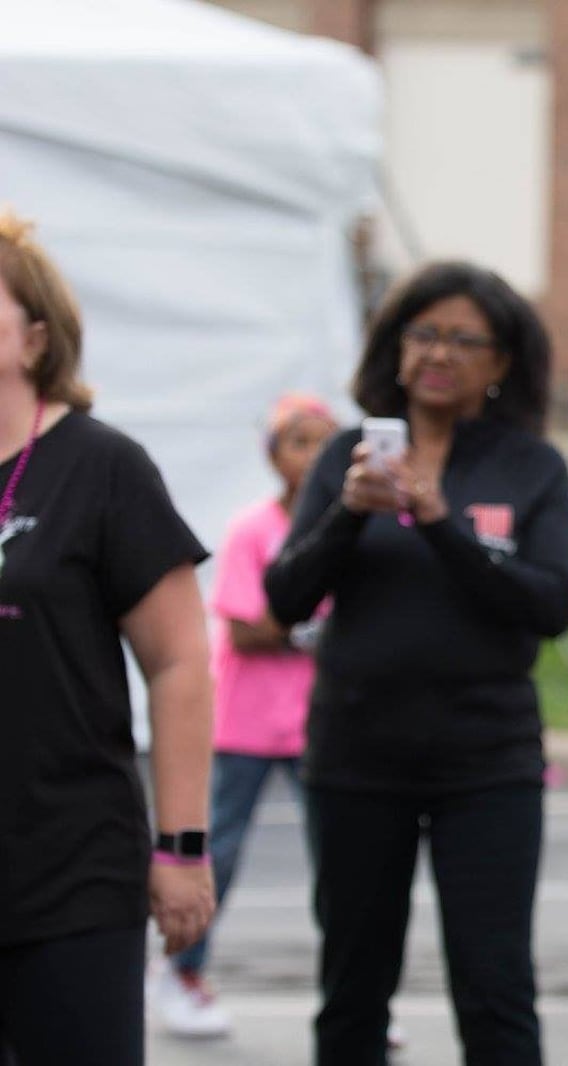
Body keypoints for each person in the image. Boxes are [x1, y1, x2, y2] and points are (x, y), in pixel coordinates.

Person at [264, 261, 568, 1065]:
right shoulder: (345, 456)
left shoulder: (529, 466)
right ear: (396, 346)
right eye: (423, 333)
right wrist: (346, 513)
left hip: (488, 760)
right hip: (356, 755)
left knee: (495, 983)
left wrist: (439, 521)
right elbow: (286, 597)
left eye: (463, 339)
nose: (438, 352)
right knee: (354, 984)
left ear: (501, 362)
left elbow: (550, 606)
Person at [0, 208, 214, 1065]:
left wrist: (182, 846)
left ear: (35, 339)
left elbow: (179, 663)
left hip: (69, 870)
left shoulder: (103, 468)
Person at [151, 393, 339, 1038]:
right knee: (220, 852)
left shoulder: (343, 525)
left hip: (318, 721)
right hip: (246, 720)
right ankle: (181, 973)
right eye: (299, 442)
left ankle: (353, 990)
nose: (313, 457)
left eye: (324, 441)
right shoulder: (252, 527)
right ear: (273, 455)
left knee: (342, 858)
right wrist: (311, 631)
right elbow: (246, 627)